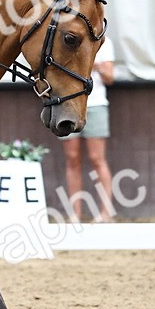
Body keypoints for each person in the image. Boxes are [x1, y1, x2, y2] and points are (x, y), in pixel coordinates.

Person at [61, 34, 115, 221]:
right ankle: (75, 213)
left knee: (97, 158)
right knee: (72, 158)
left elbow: (110, 77)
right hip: (69, 105)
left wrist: (92, 63)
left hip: (96, 105)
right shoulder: (65, 41)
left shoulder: (104, 42)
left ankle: (106, 212)